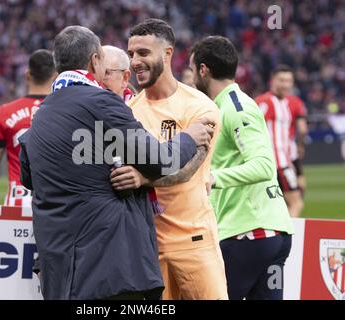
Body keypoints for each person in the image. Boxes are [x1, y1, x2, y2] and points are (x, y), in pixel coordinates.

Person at [18, 25, 214, 300]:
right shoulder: (102, 103)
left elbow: (28, 177)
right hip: (108, 270)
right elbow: (160, 160)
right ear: (94, 60)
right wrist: (189, 137)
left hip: (60, 274)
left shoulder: (41, 115)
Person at [113, 19, 228, 300]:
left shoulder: (200, 107)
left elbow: (187, 170)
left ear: (167, 54)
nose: (135, 62)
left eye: (143, 53)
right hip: (147, 246)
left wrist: (141, 178)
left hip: (194, 240)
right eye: (130, 55)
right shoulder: (128, 111)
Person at [190, 36, 294, 299]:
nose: (192, 79)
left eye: (193, 71)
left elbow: (263, 166)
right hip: (270, 234)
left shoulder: (236, 107)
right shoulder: (228, 105)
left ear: (203, 70)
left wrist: (214, 177)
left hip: (248, 234)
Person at [0, 49, 57, 207]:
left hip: (17, 200)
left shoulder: (5, 112)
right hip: (54, 201)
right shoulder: (64, 110)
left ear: (27, 75)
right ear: (55, 75)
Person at [255, 65, 305, 217]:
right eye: (282, 80)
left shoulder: (293, 102)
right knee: (296, 203)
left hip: (282, 161)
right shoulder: (264, 102)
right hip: (279, 164)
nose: (286, 84)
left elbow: (301, 130)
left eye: (289, 81)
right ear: (272, 81)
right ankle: (291, 239)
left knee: (277, 205)